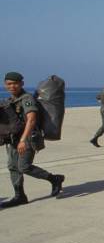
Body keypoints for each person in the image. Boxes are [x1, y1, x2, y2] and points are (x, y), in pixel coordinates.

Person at [1, 72, 64, 208]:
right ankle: (20, 196)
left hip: (28, 138)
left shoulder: (27, 98)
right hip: (13, 139)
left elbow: (32, 119)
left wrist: (23, 140)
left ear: (22, 84)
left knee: (24, 166)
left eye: (15, 83)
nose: (12, 86)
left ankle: (54, 178)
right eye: (9, 84)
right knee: (13, 167)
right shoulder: (10, 100)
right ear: (5, 85)